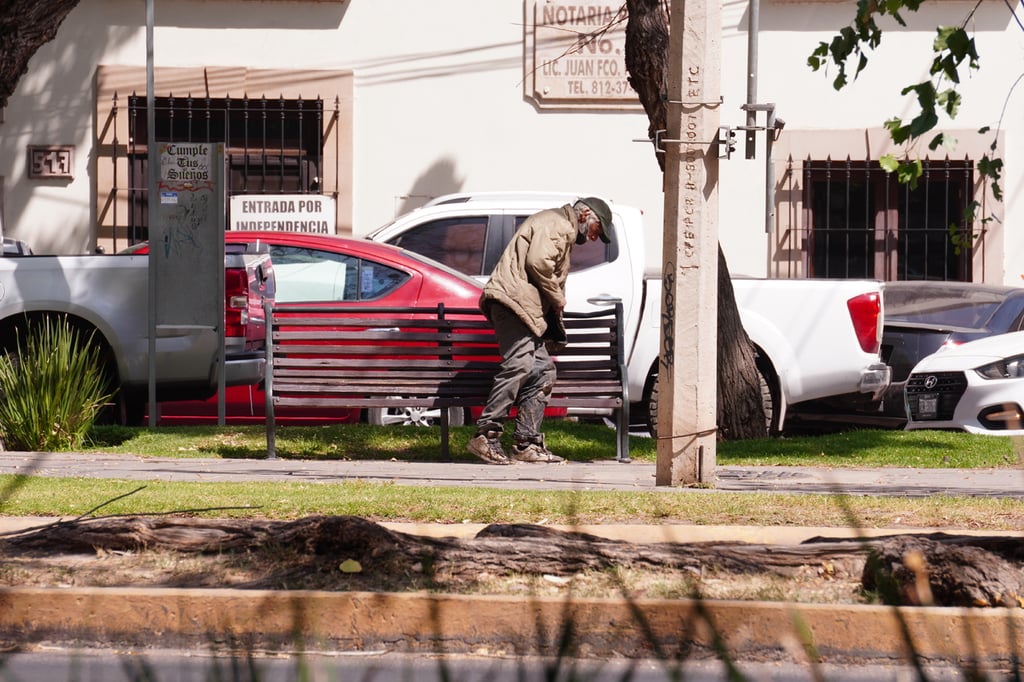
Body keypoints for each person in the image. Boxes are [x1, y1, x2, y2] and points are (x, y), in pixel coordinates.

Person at [466, 197, 613, 465]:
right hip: (513, 303)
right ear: (585, 215)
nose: (594, 238)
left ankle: (526, 443)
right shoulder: (559, 224)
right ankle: (485, 436)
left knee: (543, 370)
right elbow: (538, 262)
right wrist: (557, 297)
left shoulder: (560, 225)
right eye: (596, 230)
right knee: (519, 365)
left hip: (522, 307)